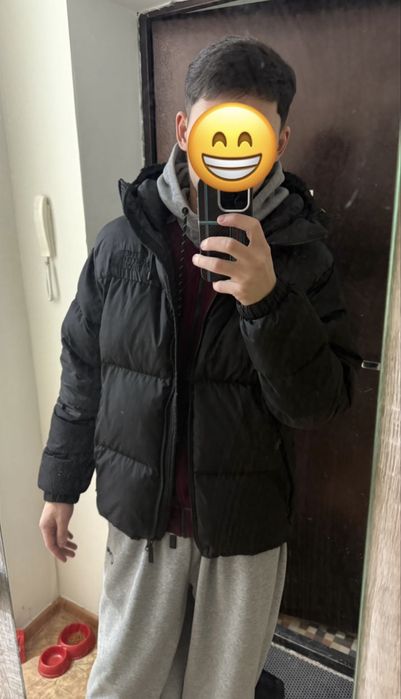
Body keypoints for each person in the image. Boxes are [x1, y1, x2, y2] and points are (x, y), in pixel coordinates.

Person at [38, 35, 361, 699]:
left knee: (222, 690)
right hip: (141, 521)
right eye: (218, 128)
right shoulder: (121, 242)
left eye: (252, 134)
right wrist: (60, 484)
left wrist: (267, 299)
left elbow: (319, 403)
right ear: (185, 129)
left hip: (244, 530)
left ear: (280, 140)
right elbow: (83, 370)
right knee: (123, 686)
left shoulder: (304, 257)